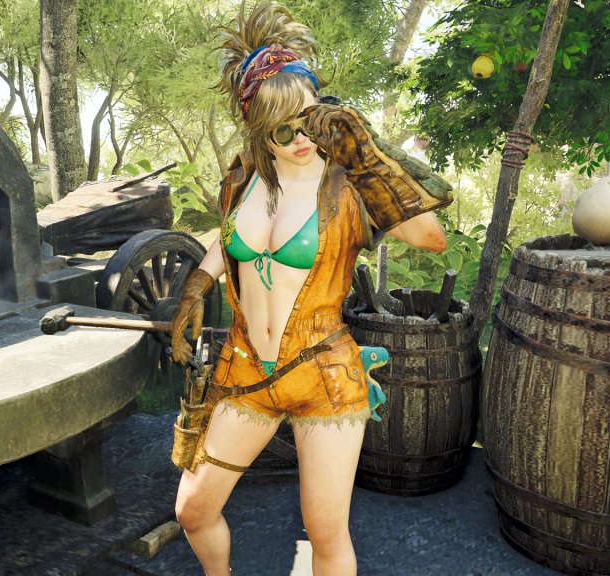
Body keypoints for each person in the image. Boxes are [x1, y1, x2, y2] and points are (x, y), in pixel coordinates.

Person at [170, 3, 450, 574]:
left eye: (310, 120)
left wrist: (364, 154)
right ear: (257, 127)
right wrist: (199, 282)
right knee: (193, 511)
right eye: (282, 127)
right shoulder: (245, 176)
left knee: (325, 531)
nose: (300, 137)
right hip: (246, 370)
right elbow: (230, 238)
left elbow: (431, 237)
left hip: (323, 372)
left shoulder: (349, 183)